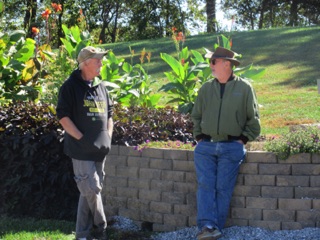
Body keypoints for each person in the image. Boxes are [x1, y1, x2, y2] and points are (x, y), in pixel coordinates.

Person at [191, 47, 261, 240]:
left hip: (232, 147)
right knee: (205, 185)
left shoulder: (244, 88)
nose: (210, 65)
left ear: (226, 64)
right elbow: (196, 115)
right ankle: (207, 226)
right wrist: (199, 137)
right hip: (206, 146)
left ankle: (212, 228)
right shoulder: (206, 88)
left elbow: (253, 120)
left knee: (223, 188)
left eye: (213, 62)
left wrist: (242, 140)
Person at [56, 46, 113, 240]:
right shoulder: (70, 87)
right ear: (85, 63)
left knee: (88, 191)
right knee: (92, 188)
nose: (101, 64)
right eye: (97, 60)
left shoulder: (101, 86)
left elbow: (110, 114)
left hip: (100, 149)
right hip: (81, 150)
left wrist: (108, 134)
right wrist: (82, 139)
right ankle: (102, 227)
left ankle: (82, 234)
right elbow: (63, 116)